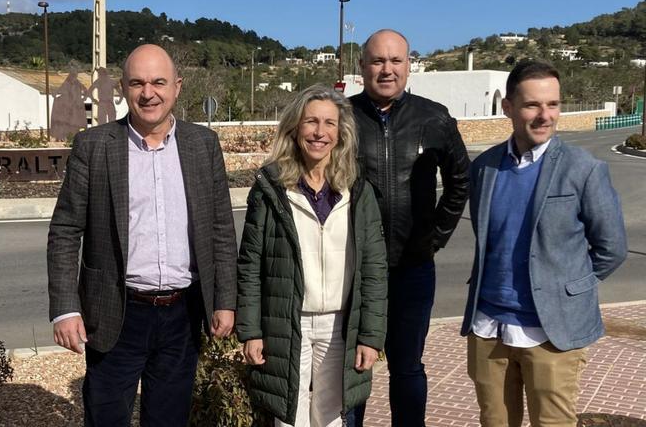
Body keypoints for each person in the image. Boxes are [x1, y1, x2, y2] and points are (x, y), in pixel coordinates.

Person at [46, 44, 238, 427]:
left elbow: (220, 229)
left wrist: (225, 301)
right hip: (116, 314)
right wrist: (66, 309)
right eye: (137, 82)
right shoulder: (95, 146)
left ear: (177, 87)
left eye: (158, 82)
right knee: (106, 418)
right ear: (123, 87)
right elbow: (66, 231)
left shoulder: (203, 145)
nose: (148, 92)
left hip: (183, 315)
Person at [461, 59, 627, 427]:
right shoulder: (485, 167)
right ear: (508, 107)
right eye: (532, 104)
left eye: (553, 104)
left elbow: (611, 248)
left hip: (552, 334)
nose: (545, 115)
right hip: (489, 328)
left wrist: (567, 290)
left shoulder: (583, 169)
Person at [237, 84, 387, 427]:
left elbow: (375, 269)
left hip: (340, 324)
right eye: (311, 122)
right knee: (289, 418)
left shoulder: (358, 189)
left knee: (332, 416)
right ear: (295, 128)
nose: (320, 132)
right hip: (287, 321)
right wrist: (251, 330)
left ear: (341, 132)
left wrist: (370, 336)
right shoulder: (271, 189)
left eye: (329, 124)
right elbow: (250, 264)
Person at [349, 29, 470, 426]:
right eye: (378, 61)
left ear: (408, 65)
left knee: (407, 369)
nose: (387, 70)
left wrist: (434, 237)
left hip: (413, 270)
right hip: (356, 272)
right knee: (353, 370)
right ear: (363, 66)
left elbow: (460, 180)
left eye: (395, 61)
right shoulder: (343, 118)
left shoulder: (433, 117)